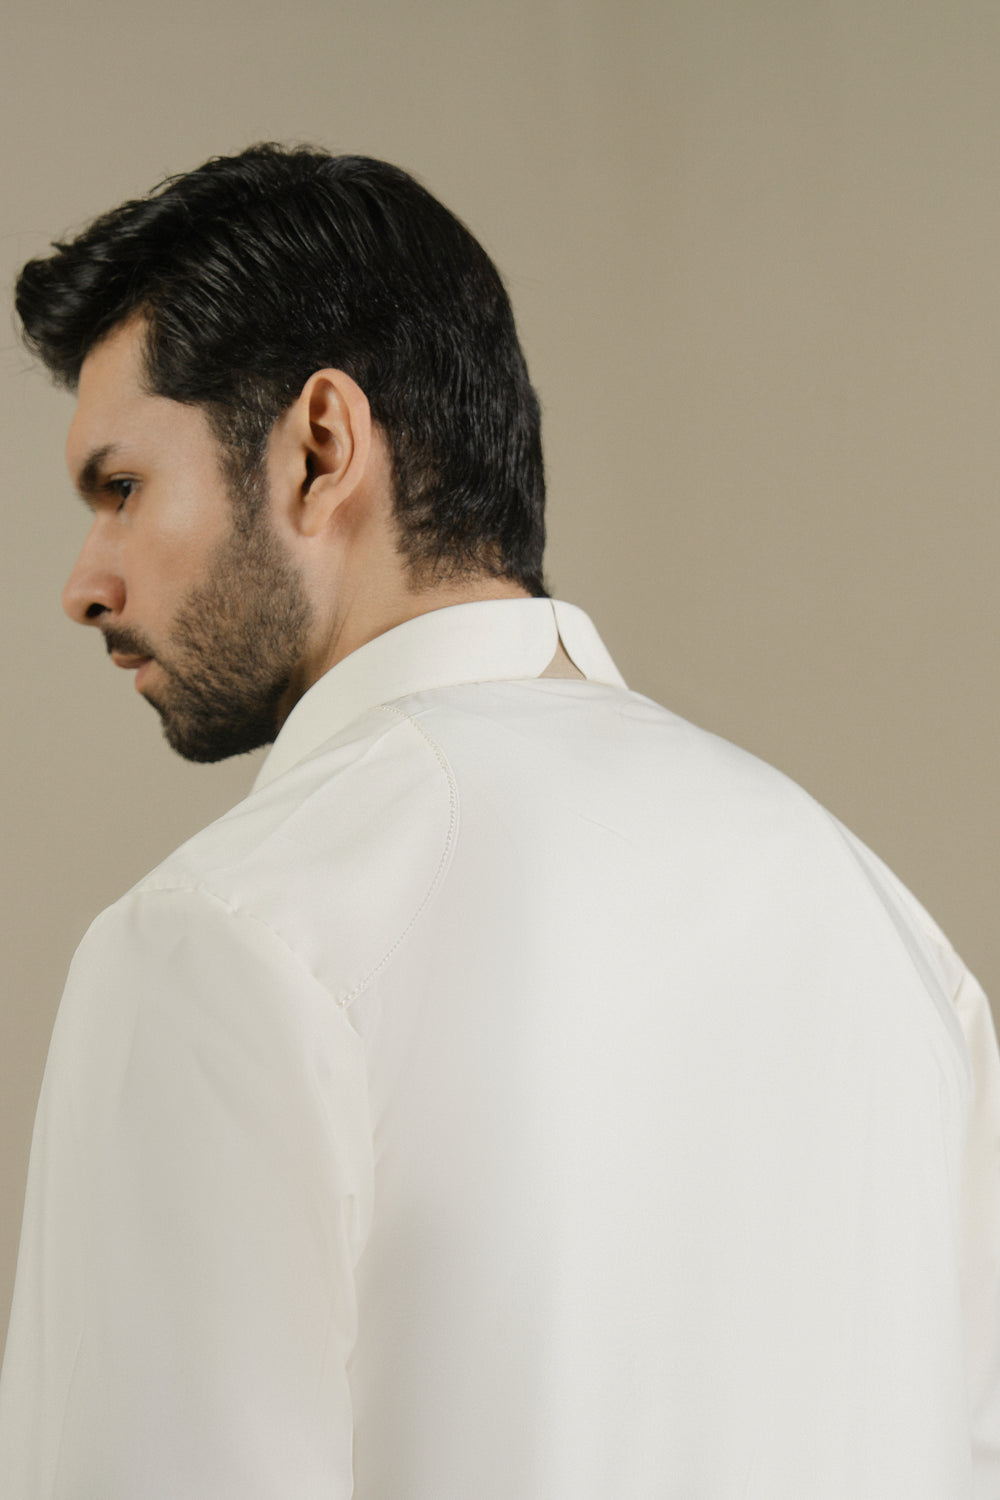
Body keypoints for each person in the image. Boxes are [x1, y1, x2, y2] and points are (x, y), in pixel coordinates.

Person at [0, 144, 997, 1500]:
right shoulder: (890, 939)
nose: (85, 583)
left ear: (320, 448)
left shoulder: (223, 937)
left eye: (120, 488)